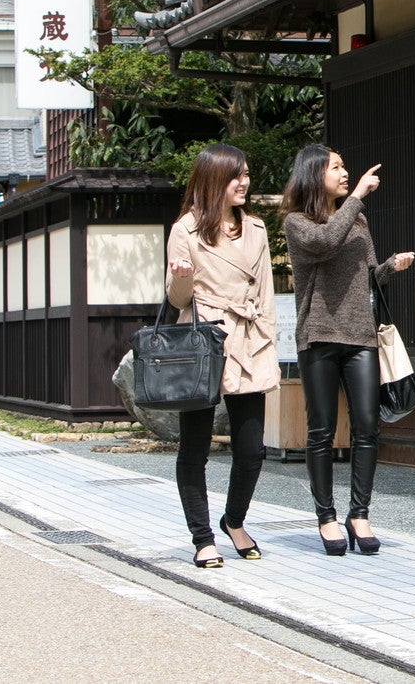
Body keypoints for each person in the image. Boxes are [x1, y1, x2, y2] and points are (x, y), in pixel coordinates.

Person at [280, 144, 415, 556]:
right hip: (319, 334)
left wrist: (389, 267)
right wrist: (356, 195)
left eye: (344, 166)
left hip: (361, 335)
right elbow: (324, 243)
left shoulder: (357, 218)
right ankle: (326, 517)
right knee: (320, 431)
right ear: (313, 173)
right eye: (336, 167)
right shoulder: (296, 222)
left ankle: (360, 514)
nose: (344, 172)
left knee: (366, 428)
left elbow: (367, 279)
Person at [165, 143, 279, 569]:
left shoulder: (257, 229)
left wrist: (267, 336)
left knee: (252, 450)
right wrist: (183, 276)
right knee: (194, 448)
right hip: (204, 342)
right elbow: (176, 299)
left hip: (250, 341)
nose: (244, 182)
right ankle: (202, 538)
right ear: (214, 180)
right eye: (236, 176)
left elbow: (265, 292)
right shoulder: (186, 230)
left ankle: (234, 521)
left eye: (246, 173)